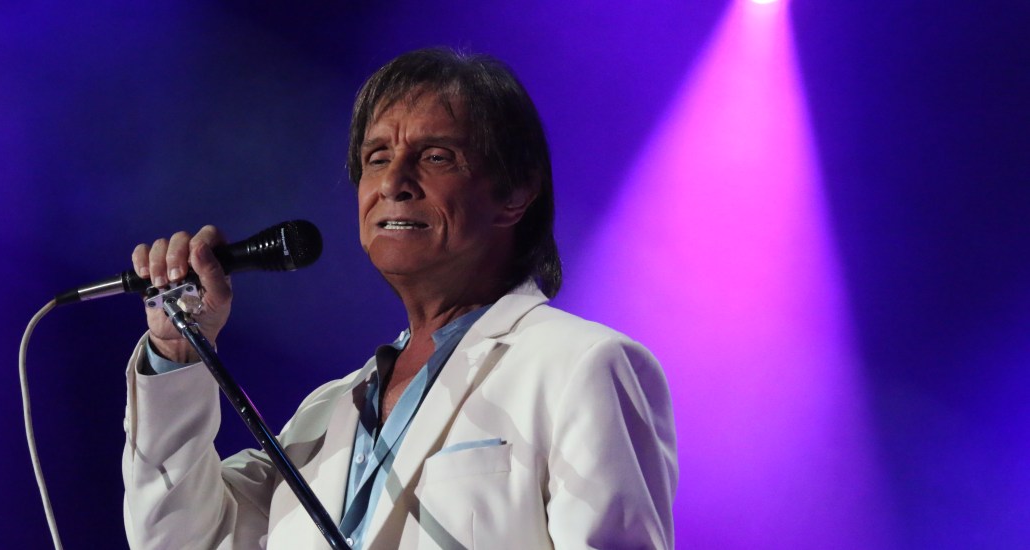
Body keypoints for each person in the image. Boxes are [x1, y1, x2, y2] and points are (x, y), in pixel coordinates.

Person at [122, 48, 678, 549]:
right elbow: (177, 540)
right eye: (377, 157)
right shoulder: (325, 414)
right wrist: (179, 348)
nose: (393, 182)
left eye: (435, 156)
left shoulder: (580, 366)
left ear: (514, 192)